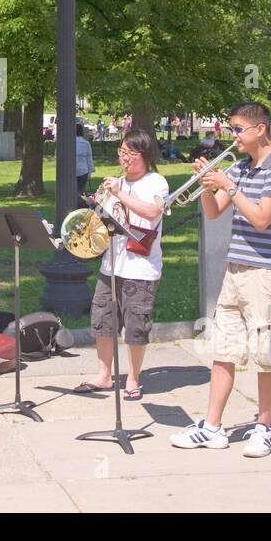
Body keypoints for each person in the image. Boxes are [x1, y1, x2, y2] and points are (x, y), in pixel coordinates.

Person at [172, 101, 271, 458]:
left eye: (238, 129)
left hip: (268, 273)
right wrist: (205, 185)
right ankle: (212, 427)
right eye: (231, 130)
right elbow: (214, 214)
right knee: (223, 350)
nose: (233, 137)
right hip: (236, 270)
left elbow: (261, 218)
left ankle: (264, 428)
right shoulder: (241, 168)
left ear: (260, 129)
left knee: (265, 356)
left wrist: (227, 184)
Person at [73, 128, 169, 401]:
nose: (124, 159)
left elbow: (151, 212)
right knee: (103, 320)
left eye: (130, 154)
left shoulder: (156, 183)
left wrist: (120, 193)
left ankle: (133, 377)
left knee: (136, 324)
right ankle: (104, 376)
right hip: (111, 265)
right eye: (121, 153)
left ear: (145, 155)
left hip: (141, 267)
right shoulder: (115, 183)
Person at [75, 122, 95, 195]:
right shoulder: (86, 143)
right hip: (83, 171)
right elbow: (89, 158)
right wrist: (90, 172)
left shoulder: (68, 143)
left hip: (71, 172)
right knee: (80, 192)